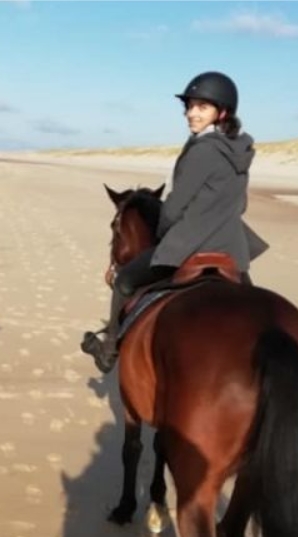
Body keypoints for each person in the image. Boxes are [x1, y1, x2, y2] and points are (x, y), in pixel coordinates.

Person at [81, 71, 269, 373]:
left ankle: (110, 348)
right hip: (233, 248)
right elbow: (240, 204)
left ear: (222, 113)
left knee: (124, 281)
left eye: (202, 107)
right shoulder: (241, 150)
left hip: (191, 244)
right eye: (190, 106)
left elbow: (175, 207)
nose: (191, 114)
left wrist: (166, 231)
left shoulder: (203, 149)